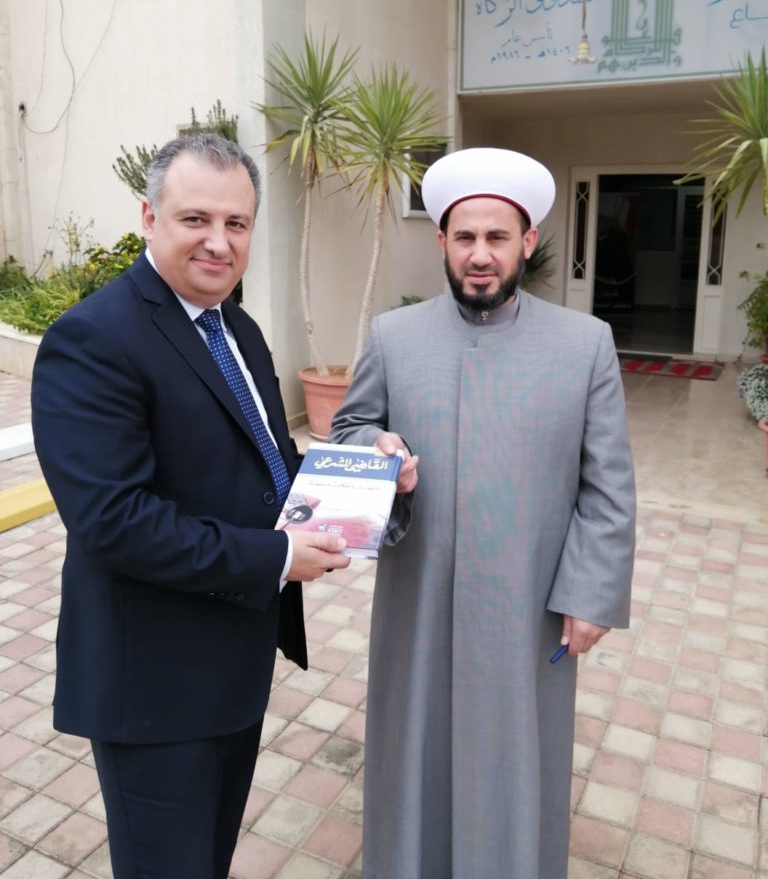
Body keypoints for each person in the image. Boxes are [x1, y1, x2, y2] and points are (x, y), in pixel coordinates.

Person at [31, 133, 350, 879]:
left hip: (234, 665)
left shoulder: (237, 328)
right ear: (149, 218)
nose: (219, 242)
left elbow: (272, 466)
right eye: (195, 219)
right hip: (154, 684)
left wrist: (366, 476)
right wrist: (277, 556)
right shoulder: (93, 338)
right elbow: (114, 521)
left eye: (236, 223)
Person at [330, 147, 636, 879]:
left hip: (526, 606)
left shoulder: (586, 344)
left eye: (497, 237)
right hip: (419, 597)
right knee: (414, 745)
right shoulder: (394, 336)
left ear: (526, 242)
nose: (479, 255)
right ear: (441, 242)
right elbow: (349, 429)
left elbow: (608, 484)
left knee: (517, 756)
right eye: (464, 237)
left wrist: (592, 594)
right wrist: (377, 447)